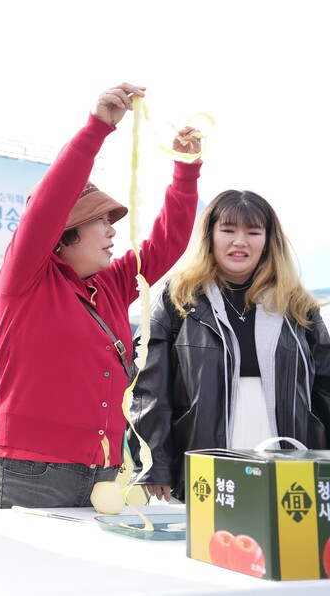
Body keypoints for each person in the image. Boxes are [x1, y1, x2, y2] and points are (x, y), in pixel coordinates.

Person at [0, 83, 203, 509]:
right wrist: (98, 127)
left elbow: (168, 242)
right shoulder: (25, 277)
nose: (112, 230)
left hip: (104, 473)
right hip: (33, 473)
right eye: (99, 220)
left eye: (111, 220)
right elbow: (46, 205)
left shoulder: (110, 284)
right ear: (62, 231)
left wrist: (186, 169)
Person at [130, 190, 330, 502]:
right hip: (204, 460)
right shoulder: (179, 298)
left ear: (268, 240)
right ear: (209, 235)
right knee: (212, 546)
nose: (240, 241)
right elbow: (149, 387)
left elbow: (325, 388)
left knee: (282, 545)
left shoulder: (297, 304)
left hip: (289, 462)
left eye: (253, 232)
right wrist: (154, 462)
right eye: (228, 230)